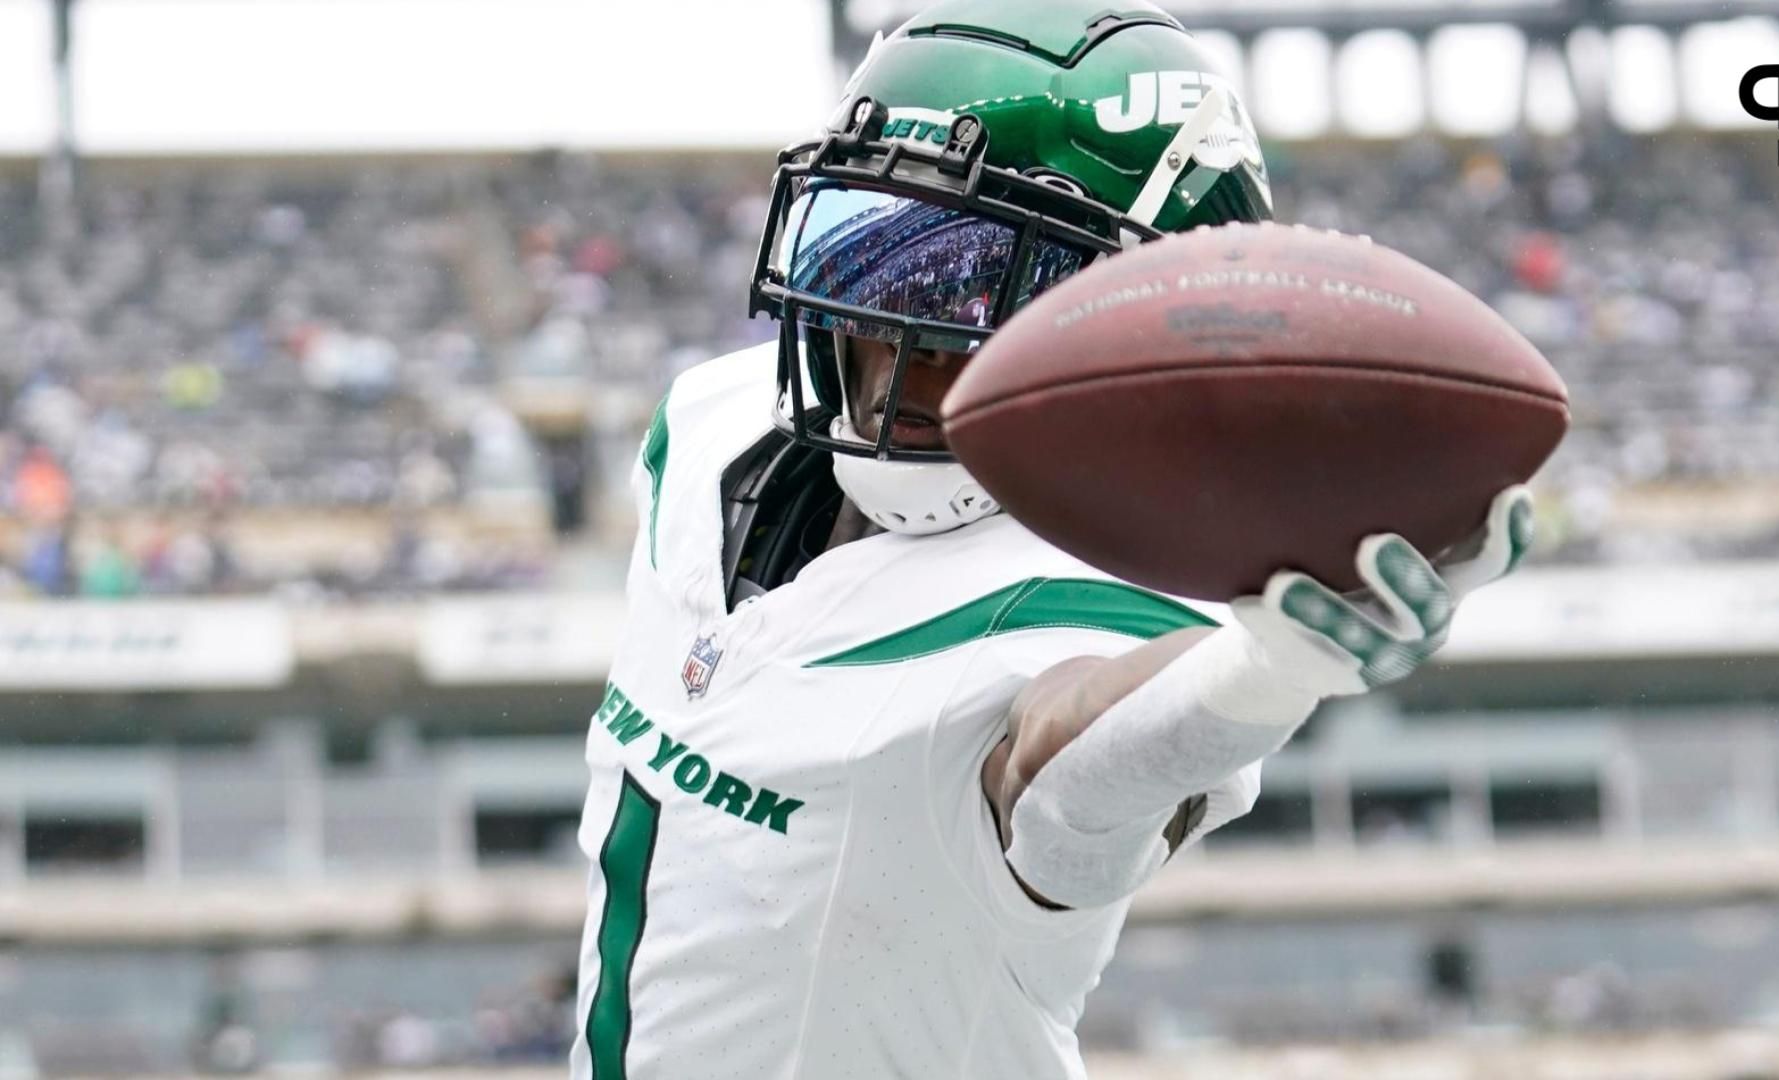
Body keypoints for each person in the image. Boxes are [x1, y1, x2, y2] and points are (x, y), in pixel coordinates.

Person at [568, 3, 1534, 1078]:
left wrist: (1261, 674)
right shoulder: (711, 429)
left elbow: (1077, 777)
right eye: (865, 250)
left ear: (1140, 337)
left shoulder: (1091, 588)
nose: (893, 332)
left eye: (971, 280)